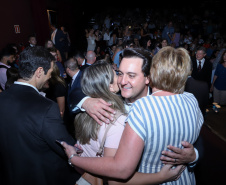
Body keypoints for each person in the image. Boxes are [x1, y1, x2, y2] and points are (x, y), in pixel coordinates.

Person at [61, 47, 203, 184]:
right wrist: (85, 101)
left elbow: (195, 137)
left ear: (148, 78)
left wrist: (194, 155)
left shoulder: (171, 100)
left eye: (131, 75)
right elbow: (76, 91)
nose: (122, 81)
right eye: (120, 73)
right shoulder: (112, 98)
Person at [0, 46, 79, 185]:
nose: (50, 76)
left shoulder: (2, 98)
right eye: (49, 72)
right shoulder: (46, 107)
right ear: (39, 72)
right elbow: (68, 148)